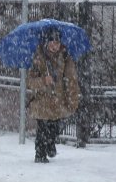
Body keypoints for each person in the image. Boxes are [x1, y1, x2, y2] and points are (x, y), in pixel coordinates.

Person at [27, 27, 81, 163]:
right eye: (52, 42)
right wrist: (43, 81)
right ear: (46, 43)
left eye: (57, 43)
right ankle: (40, 155)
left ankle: (50, 145)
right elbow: (30, 81)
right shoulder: (38, 58)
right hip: (42, 101)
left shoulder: (65, 57)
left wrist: (72, 99)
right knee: (43, 129)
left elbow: (71, 79)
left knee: (55, 128)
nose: (54, 46)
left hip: (58, 100)